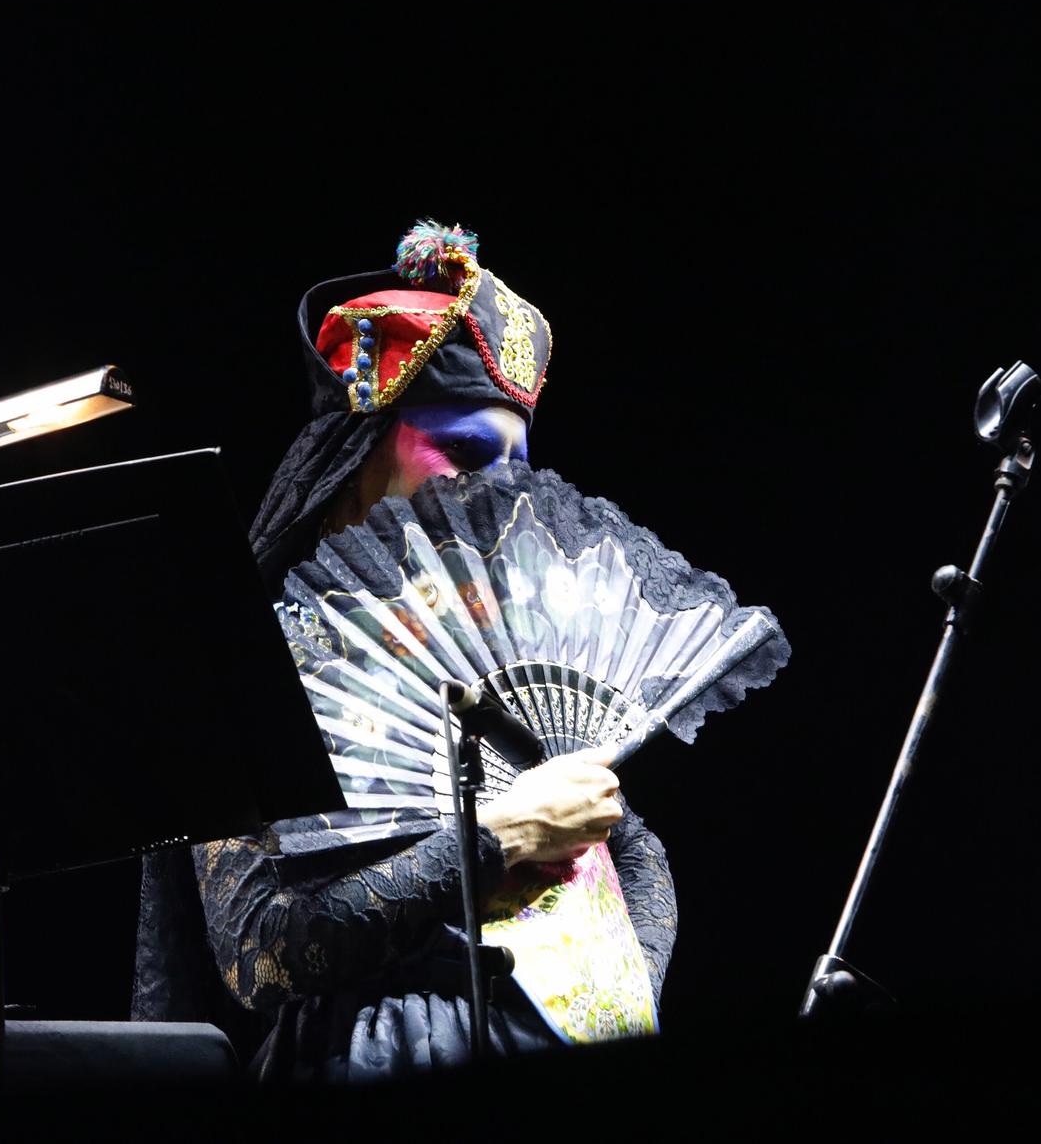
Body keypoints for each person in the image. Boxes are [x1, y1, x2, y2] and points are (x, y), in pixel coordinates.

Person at [131, 220, 678, 1082]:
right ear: (356, 464)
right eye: (464, 450)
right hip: (366, 1057)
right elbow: (258, 950)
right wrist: (499, 837)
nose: (504, 487)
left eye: (517, 459)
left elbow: (632, 847)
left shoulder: (521, 660)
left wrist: (621, 983)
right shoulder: (261, 664)